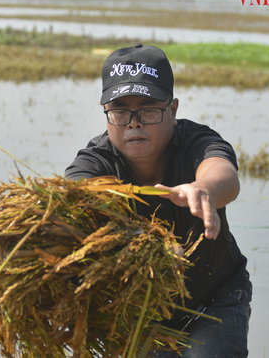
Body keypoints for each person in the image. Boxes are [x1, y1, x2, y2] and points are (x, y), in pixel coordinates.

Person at [65, 44, 252, 357]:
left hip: (215, 300)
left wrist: (203, 189)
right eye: (120, 111)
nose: (133, 123)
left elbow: (224, 175)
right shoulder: (94, 163)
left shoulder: (196, 141)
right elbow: (74, 200)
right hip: (137, 308)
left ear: (173, 110)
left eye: (148, 110)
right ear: (107, 115)